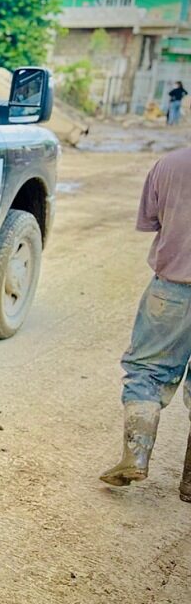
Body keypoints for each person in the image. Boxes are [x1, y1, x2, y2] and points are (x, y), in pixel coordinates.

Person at [100, 146, 191, 490]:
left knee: (147, 371)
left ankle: (136, 456)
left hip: (172, 290)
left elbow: (151, 220)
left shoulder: (168, 165)